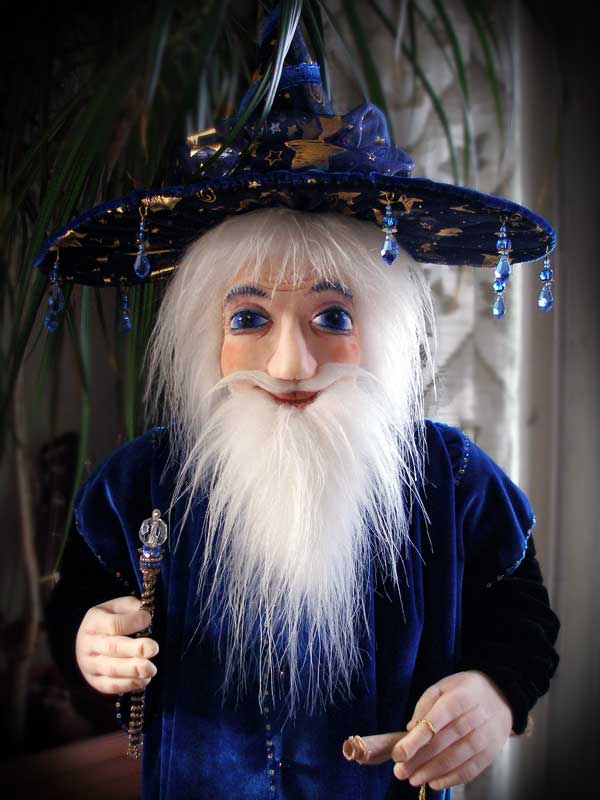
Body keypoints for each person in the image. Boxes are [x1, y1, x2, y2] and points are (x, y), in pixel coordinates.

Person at [40, 9, 559, 799]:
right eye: (249, 319)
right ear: (206, 333)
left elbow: (520, 619)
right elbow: (80, 598)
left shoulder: (451, 480)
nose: (290, 364)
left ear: (382, 330)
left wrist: (495, 693)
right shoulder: (140, 480)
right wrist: (89, 641)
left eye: (333, 318)